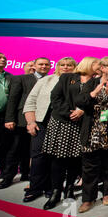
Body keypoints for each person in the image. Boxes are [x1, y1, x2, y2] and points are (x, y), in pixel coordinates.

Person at [42, 57, 98, 210]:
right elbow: (55, 97)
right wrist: (69, 113)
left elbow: (94, 101)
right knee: (58, 159)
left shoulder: (96, 82)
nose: (99, 67)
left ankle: (69, 189)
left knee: (75, 159)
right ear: (88, 64)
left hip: (81, 124)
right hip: (61, 122)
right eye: (97, 64)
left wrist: (81, 111)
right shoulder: (67, 77)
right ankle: (56, 191)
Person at [75, 57, 108, 213]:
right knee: (89, 167)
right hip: (92, 131)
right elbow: (80, 101)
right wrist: (95, 92)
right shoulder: (91, 82)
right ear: (103, 68)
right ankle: (88, 199)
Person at [23, 57, 76, 206]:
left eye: (69, 65)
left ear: (75, 67)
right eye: (62, 65)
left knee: (57, 158)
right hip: (42, 122)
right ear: (57, 66)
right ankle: (35, 188)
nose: (66, 67)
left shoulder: (76, 82)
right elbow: (30, 102)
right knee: (39, 155)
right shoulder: (45, 81)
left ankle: (52, 188)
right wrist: (31, 122)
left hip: (65, 124)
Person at [0, 57, 51, 191]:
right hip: (21, 120)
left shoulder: (52, 79)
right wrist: (9, 119)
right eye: (41, 64)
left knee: (34, 151)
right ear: (35, 66)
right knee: (15, 149)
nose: (44, 66)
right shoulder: (21, 79)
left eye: (46, 64)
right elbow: (12, 100)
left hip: (42, 120)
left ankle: (28, 175)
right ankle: (8, 177)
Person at [0, 53, 12, 179]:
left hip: (4, 116)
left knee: (4, 145)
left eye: (4, 58)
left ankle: (3, 173)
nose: (2, 60)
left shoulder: (9, 77)